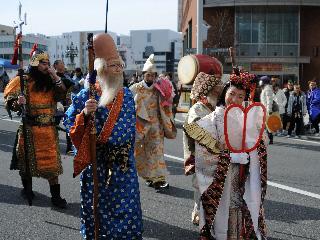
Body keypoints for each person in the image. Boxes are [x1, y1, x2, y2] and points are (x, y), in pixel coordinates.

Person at [64, 33, 143, 239]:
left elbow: (131, 128)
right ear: (101, 68)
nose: (118, 70)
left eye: (120, 65)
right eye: (113, 65)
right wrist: (84, 114)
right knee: (97, 214)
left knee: (127, 212)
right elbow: (69, 122)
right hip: (98, 166)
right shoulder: (87, 95)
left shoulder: (127, 95)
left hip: (124, 166)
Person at [185, 70, 267, 240]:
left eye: (240, 96)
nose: (235, 99)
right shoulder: (213, 118)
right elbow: (204, 147)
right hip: (220, 175)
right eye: (232, 94)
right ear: (225, 94)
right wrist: (227, 156)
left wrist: (250, 155)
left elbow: (260, 144)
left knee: (239, 206)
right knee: (221, 211)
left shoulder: (248, 117)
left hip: (241, 174)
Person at [4, 51, 68, 208]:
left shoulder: (52, 81)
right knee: (26, 164)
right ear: (34, 64)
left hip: (49, 131)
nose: (47, 66)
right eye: (43, 63)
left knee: (52, 166)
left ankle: (56, 197)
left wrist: (56, 77)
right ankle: (27, 190)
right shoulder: (23, 81)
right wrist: (18, 103)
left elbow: (63, 96)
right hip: (29, 130)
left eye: (48, 63)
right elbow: (10, 101)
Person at [130, 54, 176, 190]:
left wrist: (167, 95)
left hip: (156, 125)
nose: (150, 77)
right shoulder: (135, 88)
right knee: (140, 151)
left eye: (152, 75)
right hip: (140, 125)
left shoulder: (159, 88)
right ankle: (149, 176)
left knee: (157, 151)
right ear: (143, 75)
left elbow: (169, 101)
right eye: (147, 75)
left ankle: (159, 179)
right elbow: (126, 103)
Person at [183, 71, 223, 226]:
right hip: (201, 153)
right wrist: (213, 142)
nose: (218, 95)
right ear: (208, 92)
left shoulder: (216, 107)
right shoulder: (198, 109)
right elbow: (193, 129)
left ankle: (213, 215)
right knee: (201, 185)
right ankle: (199, 212)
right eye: (216, 92)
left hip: (217, 153)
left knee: (216, 184)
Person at [53, 60, 75, 154]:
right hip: (56, 104)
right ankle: (53, 146)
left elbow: (73, 86)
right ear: (55, 66)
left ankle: (69, 147)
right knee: (54, 125)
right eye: (60, 63)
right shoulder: (52, 76)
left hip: (67, 104)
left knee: (69, 125)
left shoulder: (67, 76)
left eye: (63, 63)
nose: (62, 65)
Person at [259, 76, 275, 144]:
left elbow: (269, 100)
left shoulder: (267, 88)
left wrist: (269, 109)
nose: (259, 82)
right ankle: (265, 138)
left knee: (268, 124)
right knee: (264, 124)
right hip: (263, 109)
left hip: (267, 109)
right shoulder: (264, 88)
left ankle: (270, 139)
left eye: (261, 80)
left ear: (264, 82)